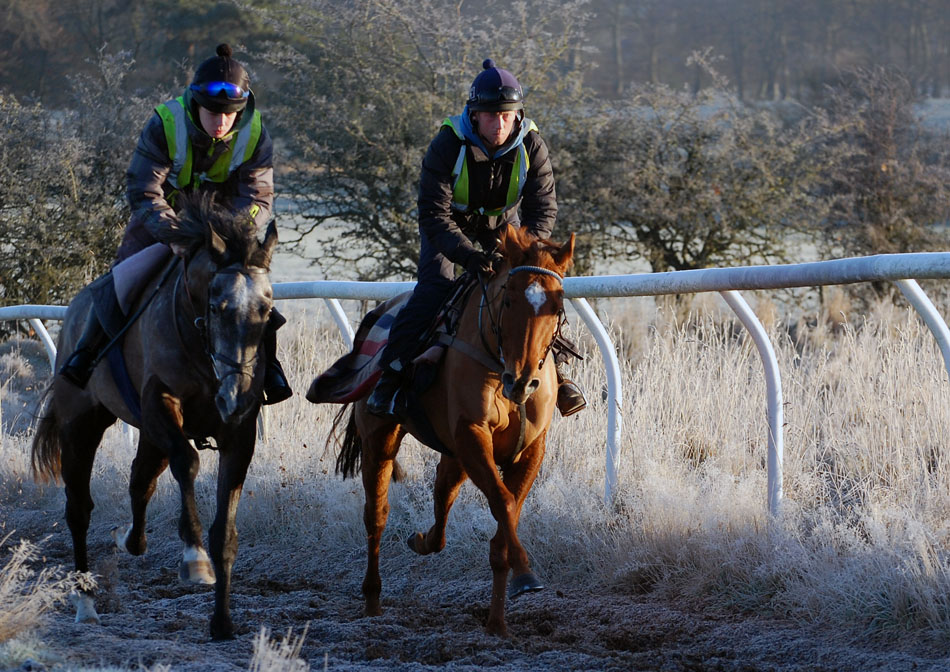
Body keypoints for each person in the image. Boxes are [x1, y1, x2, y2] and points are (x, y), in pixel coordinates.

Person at [59, 43, 292, 405]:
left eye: (230, 115)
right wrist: (175, 235)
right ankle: (85, 355)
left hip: (223, 230)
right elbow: (143, 187)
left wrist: (230, 236)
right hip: (163, 222)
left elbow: (259, 199)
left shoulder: (256, 132)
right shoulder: (165, 122)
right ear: (195, 103)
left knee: (251, 296)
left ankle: (271, 368)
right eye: (213, 113)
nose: (221, 122)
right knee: (122, 279)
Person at [366, 58, 586, 418]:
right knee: (435, 287)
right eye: (490, 115)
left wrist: (525, 253)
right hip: (448, 229)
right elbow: (433, 214)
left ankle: (559, 375)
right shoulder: (447, 144)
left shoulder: (532, 144)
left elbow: (543, 210)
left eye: (506, 115)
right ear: (473, 114)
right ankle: (390, 377)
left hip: (507, 229)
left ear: (518, 115)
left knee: (532, 292)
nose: (499, 123)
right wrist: (467, 256)